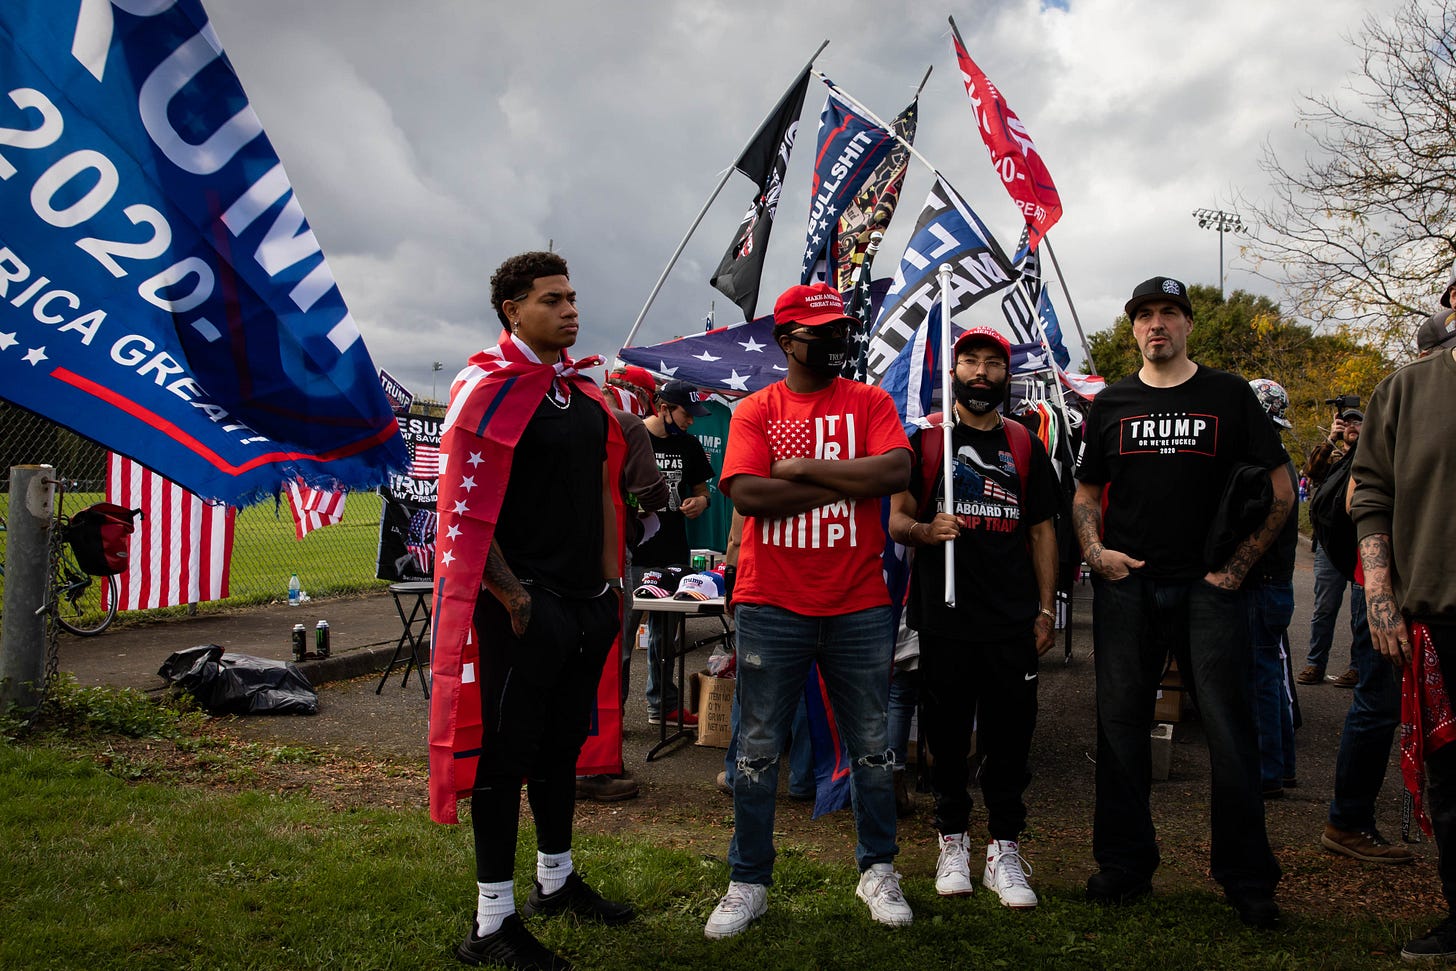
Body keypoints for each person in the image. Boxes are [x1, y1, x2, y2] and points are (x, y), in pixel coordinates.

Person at [429, 251, 634, 970]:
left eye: (572, 297)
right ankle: (491, 921)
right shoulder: (484, 386)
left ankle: (555, 879)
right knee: (506, 754)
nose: (570, 310)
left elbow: (603, 491)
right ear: (513, 310)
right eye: (552, 299)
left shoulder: (578, 390)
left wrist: (608, 589)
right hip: (522, 605)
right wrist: (514, 596)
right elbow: (461, 504)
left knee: (560, 748)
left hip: (585, 602)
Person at [1071, 276, 1293, 929]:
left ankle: (1247, 880)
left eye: (1169, 312)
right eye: (1145, 314)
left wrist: (1236, 569)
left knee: (1230, 732)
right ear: (1133, 328)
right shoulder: (1112, 402)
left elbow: (1282, 492)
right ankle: (1124, 866)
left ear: (1188, 324)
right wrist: (1095, 552)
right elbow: (1086, 492)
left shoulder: (1228, 394)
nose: (1157, 323)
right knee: (1119, 728)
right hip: (1129, 587)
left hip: (1208, 589)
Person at [705, 282, 912, 939]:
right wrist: (843, 479)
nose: (835, 342)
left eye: (840, 331)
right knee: (756, 750)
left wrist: (801, 469)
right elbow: (748, 493)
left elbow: (894, 473)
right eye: (819, 334)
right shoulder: (755, 409)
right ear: (785, 341)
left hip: (859, 602)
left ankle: (878, 868)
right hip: (772, 602)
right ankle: (748, 881)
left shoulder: (870, 401)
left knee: (873, 746)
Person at [887, 325, 1059, 909]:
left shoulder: (1025, 444)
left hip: (1011, 621)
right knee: (947, 737)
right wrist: (925, 530)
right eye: (970, 362)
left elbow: (1042, 531)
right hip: (945, 619)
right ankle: (952, 840)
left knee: (1011, 739)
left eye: (993, 363)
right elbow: (897, 520)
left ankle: (1004, 848)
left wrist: (1045, 609)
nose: (981, 372)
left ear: (1007, 375)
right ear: (954, 372)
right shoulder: (926, 441)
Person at [1350, 302, 1456, 962]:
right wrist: (1379, 593)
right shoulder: (1405, 390)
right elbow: (1371, 495)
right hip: (1441, 618)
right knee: (1453, 785)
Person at [575, 398, 670, 803]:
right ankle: (595, 765)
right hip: (605, 551)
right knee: (608, 654)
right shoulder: (626, 423)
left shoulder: (535, 409)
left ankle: (560, 761)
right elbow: (651, 491)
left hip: (544, 554)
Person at [632, 378, 715, 725]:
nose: (691, 420)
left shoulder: (689, 444)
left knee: (666, 639)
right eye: (686, 413)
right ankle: (610, 716)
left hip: (673, 554)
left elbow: (702, 490)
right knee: (621, 639)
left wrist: (701, 502)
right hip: (633, 554)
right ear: (663, 408)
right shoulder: (633, 436)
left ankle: (663, 706)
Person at [1245, 379, 1301, 800]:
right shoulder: (1281, 460)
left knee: (1261, 679)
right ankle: (1281, 767)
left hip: (1262, 584)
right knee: (1269, 675)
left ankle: (1268, 772)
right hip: (1274, 585)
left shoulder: (1265, 466)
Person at [1297, 408, 1363, 689]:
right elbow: (1311, 472)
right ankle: (1315, 663)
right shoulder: (1332, 455)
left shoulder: (1370, 453)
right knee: (1324, 607)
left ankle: (1357, 668)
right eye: (1346, 422)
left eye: (1358, 421)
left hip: (1361, 542)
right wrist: (1331, 439)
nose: (1351, 426)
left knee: (1361, 613)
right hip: (1329, 544)